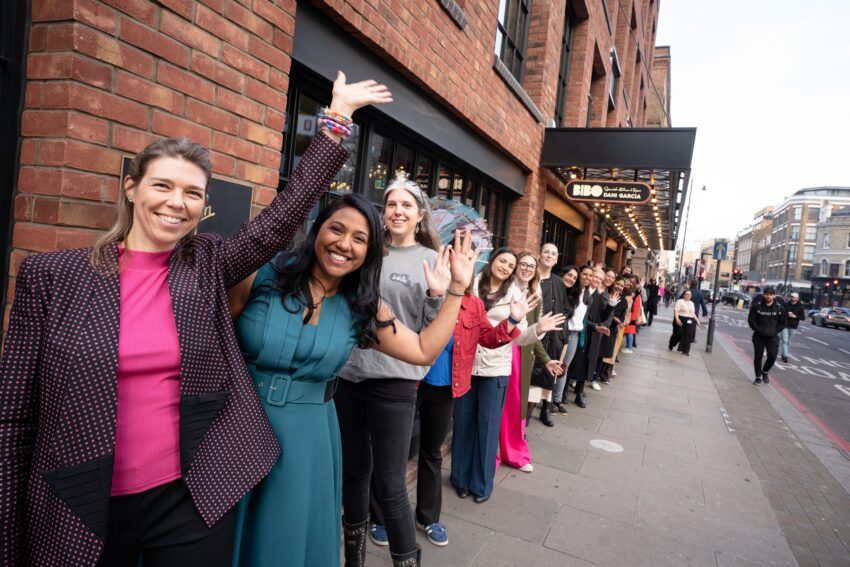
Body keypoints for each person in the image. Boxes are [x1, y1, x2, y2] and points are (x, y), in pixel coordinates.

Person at [0, 72, 392, 567]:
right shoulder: (53, 276)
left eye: (191, 193)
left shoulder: (205, 263)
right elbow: (13, 419)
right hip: (80, 500)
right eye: (162, 185)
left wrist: (335, 122)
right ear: (132, 188)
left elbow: (279, 221)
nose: (176, 202)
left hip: (189, 496)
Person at [228, 192, 478, 567]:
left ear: (370, 251)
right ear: (316, 231)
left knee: (289, 538)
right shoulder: (264, 273)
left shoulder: (361, 305)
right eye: (336, 229)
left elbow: (424, 349)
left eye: (359, 239)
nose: (344, 244)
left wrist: (456, 289)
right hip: (239, 425)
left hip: (308, 440)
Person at [333, 175, 447, 564]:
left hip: (395, 383)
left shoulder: (432, 261)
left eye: (406, 205)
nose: (398, 211)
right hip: (349, 377)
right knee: (354, 475)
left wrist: (436, 295)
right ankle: (354, 560)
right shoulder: (366, 251)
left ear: (419, 215)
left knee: (391, 483)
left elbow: (433, 332)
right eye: (392, 204)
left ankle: (405, 560)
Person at [411, 277, 540, 548]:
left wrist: (512, 321)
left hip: (446, 386)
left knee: (432, 454)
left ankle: (428, 518)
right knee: (390, 451)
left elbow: (489, 338)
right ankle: (378, 516)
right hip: (409, 381)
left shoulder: (472, 304)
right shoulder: (421, 292)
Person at [450, 249, 563, 504]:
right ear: (492, 261)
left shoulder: (515, 294)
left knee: (488, 426)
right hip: (467, 364)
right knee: (463, 422)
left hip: (496, 368)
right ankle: (459, 478)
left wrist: (537, 329)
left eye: (511, 265)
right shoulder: (473, 283)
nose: (506, 267)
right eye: (503, 260)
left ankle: (482, 484)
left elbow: (519, 337)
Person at [534, 245, 575, 422]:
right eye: (546, 252)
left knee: (549, 375)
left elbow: (563, 308)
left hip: (553, 337)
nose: (549, 255)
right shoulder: (532, 278)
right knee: (529, 381)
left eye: (553, 253)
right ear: (539, 255)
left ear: (557, 259)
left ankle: (545, 409)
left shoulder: (558, 282)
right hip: (533, 333)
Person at [565, 265, 594, 407]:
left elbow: (583, 319)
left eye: (590, 275)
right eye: (585, 274)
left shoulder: (587, 295)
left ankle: (557, 399)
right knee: (561, 367)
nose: (587, 278)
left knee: (565, 368)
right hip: (565, 332)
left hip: (577, 335)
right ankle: (554, 399)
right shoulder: (572, 292)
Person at [748, 287, 786, 385]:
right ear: (764, 295)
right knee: (758, 357)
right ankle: (758, 377)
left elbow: (783, 323)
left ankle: (764, 371)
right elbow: (751, 320)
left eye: (770, 294)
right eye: (767, 294)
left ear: (774, 296)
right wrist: (758, 329)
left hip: (772, 337)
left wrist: (775, 331)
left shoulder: (779, 308)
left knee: (772, 356)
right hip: (758, 336)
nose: (768, 296)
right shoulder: (757, 306)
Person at [598, 276, 628, 382]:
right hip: (600, 326)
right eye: (617, 284)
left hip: (612, 329)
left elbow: (621, 318)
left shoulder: (623, 301)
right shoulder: (605, 294)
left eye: (621, 285)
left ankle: (602, 375)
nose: (619, 287)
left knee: (607, 353)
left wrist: (614, 317)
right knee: (596, 352)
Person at [669, 289, 700, 355]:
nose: (689, 296)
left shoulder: (692, 303)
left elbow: (693, 313)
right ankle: (672, 343)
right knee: (678, 334)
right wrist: (677, 319)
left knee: (688, 335)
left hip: (689, 320)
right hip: (680, 319)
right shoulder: (679, 301)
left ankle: (685, 350)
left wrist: (697, 320)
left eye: (690, 294)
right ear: (684, 295)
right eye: (687, 294)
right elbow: (676, 311)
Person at [781, 292, 806, 363]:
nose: (792, 298)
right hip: (785, 325)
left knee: (788, 341)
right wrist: (786, 314)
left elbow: (803, 317)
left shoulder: (800, 307)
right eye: (791, 297)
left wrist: (795, 316)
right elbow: (781, 312)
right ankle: (785, 356)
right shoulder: (785, 304)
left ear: (797, 298)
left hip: (793, 326)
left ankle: (783, 353)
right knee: (785, 340)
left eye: (794, 297)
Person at [622, 276, 643, 354]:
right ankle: (630, 346)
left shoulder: (634, 292)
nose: (630, 283)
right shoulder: (636, 291)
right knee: (630, 331)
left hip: (632, 314)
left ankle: (629, 347)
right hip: (633, 313)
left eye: (632, 282)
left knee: (630, 331)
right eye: (629, 281)